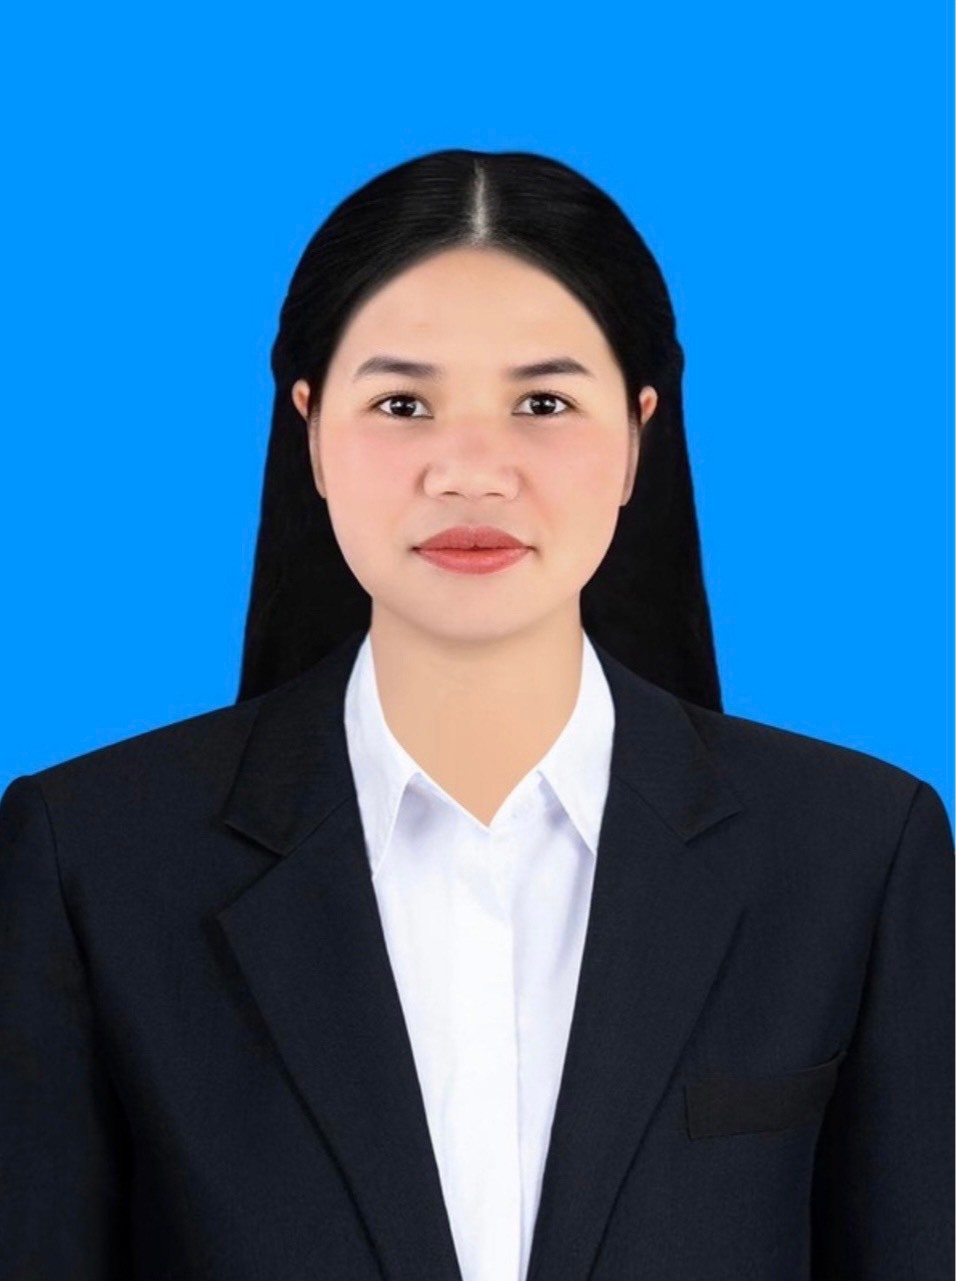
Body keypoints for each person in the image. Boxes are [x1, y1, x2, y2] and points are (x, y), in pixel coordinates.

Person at [0, 147, 951, 1281]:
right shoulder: (91, 859)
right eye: (401, 403)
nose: (470, 470)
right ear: (310, 429)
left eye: (543, 403)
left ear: (637, 432)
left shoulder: (855, 852)